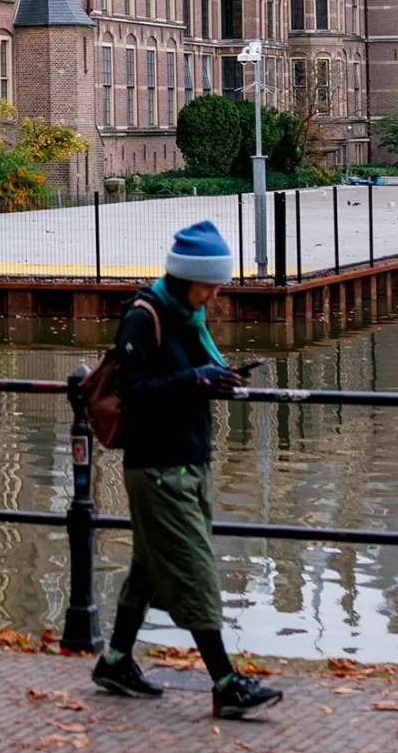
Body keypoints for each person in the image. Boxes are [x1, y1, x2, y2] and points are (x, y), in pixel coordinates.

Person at [90, 220, 284, 720]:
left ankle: (114, 661)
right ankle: (225, 683)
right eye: (210, 284)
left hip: (189, 461)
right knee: (195, 570)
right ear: (186, 277)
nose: (216, 294)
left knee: (150, 569)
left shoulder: (187, 318)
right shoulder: (144, 317)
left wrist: (211, 379)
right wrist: (196, 378)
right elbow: (136, 392)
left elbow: (181, 382)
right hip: (157, 466)